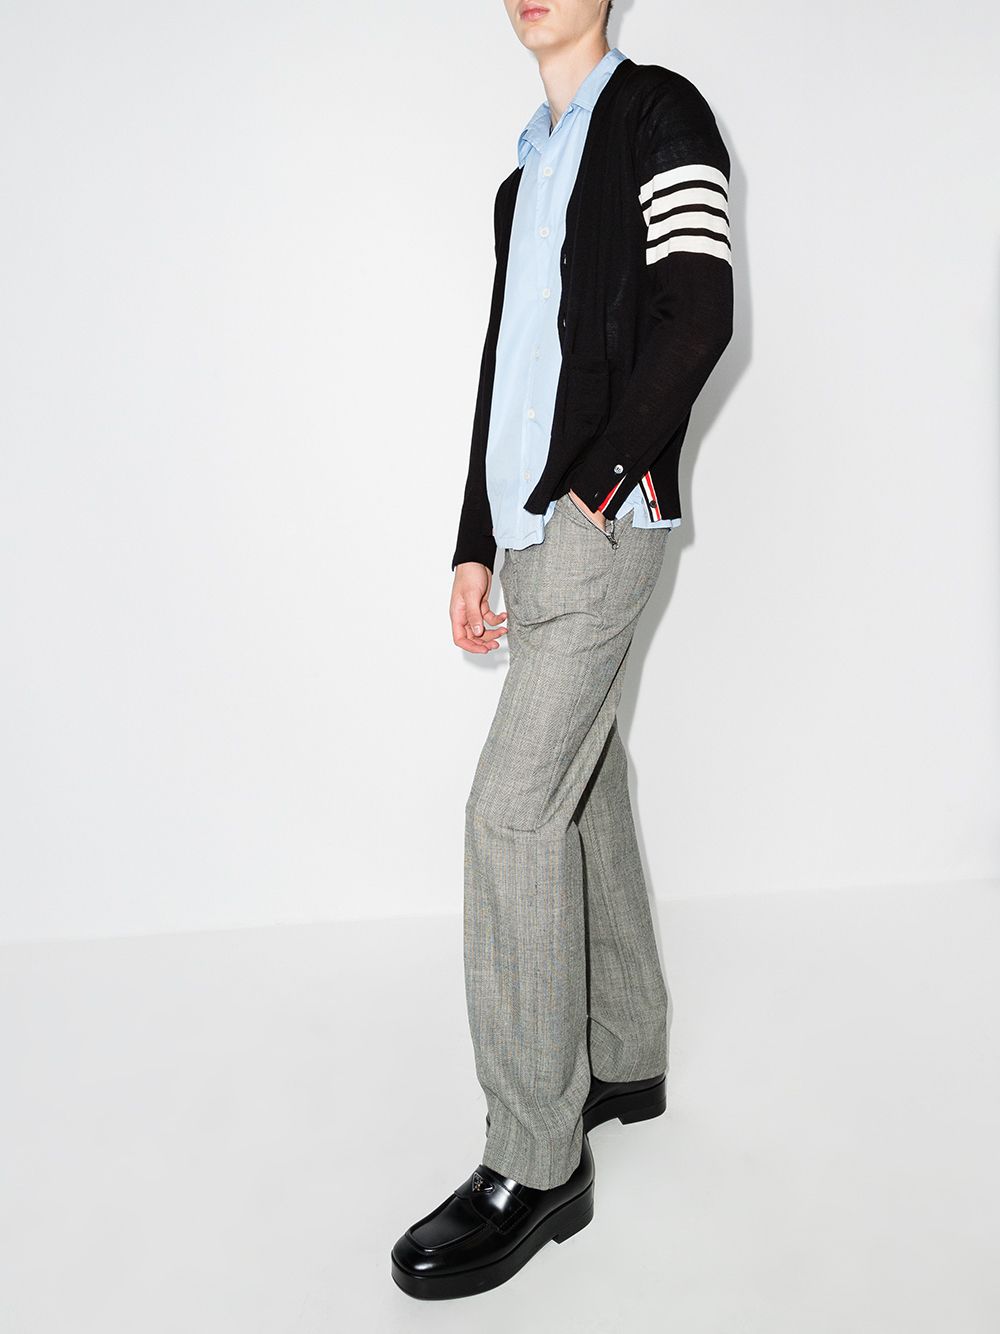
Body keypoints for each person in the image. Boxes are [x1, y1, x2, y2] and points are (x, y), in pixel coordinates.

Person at [391, 0, 733, 1300]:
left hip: (601, 521)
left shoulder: (659, 113)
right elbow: (507, 368)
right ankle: (624, 1056)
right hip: (531, 528)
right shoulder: (523, 174)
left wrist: (596, 486)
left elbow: (697, 310)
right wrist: (474, 542)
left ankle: (535, 1159)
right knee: (580, 786)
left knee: (510, 812)